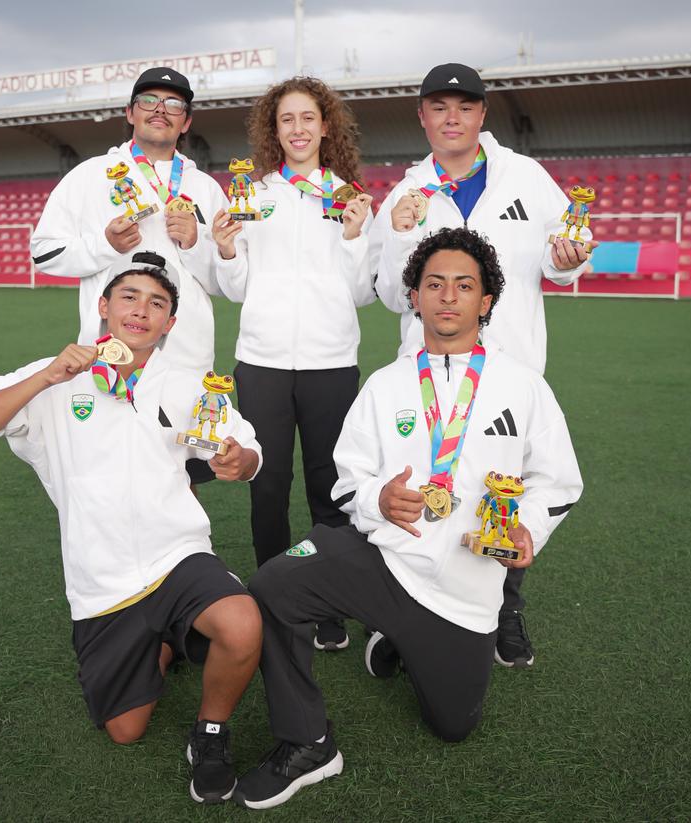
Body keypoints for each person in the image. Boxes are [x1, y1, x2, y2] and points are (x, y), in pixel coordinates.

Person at [233, 228, 583, 809]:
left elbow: (560, 481)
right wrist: (378, 499)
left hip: (465, 592)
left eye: (464, 286)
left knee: (453, 727)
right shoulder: (385, 384)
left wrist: (529, 528)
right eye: (434, 284)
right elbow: (346, 479)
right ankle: (308, 741)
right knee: (273, 582)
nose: (448, 297)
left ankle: (400, 643)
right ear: (415, 297)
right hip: (385, 563)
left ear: (486, 302)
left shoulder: (523, 387)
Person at [0, 255, 263, 805]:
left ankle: (209, 733)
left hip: (178, 554)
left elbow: (246, 445)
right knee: (126, 730)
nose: (141, 310)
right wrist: (45, 376)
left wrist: (244, 461)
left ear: (169, 324)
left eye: (157, 303)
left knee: (242, 623)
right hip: (103, 575)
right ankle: (170, 639)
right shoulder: (55, 376)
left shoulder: (188, 386)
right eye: (129, 297)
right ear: (103, 307)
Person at [368, 62, 593, 667]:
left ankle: (504, 612)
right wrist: (394, 235)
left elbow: (560, 260)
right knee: (425, 487)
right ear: (422, 117)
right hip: (427, 374)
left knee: (504, 492)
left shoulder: (526, 176)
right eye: (439, 108)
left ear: (481, 115)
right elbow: (392, 295)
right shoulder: (405, 193)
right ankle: (406, 611)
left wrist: (570, 258)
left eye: (463, 107)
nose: (451, 118)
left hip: (510, 372)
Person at [211, 77, 375, 652]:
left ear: (326, 125)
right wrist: (228, 249)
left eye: (308, 118)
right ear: (272, 130)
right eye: (287, 120)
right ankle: (273, 601)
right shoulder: (253, 196)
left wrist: (355, 237)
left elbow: (362, 292)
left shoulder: (350, 199)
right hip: (261, 362)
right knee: (267, 486)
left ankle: (325, 601)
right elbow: (236, 289)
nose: (299, 129)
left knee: (330, 488)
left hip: (332, 364)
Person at [30, 67, 226, 373]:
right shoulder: (89, 174)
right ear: (130, 113)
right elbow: (43, 253)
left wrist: (195, 244)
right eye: (149, 100)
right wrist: (105, 246)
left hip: (187, 358)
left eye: (173, 105)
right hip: (110, 352)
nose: (161, 110)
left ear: (185, 122)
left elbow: (224, 283)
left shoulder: (206, 187)